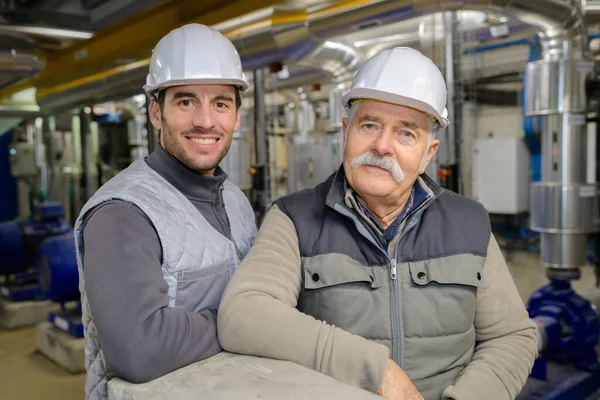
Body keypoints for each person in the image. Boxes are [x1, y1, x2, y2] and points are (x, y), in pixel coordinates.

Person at [217, 47, 537, 400]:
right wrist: (376, 369)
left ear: (428, 153)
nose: (382, 145)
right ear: (346, 130)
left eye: (406, 133)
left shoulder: (469, 222)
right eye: (369, 125)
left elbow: (513, 336)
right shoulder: (294, 219)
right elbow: (242, 314)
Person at [73, 23, 257, 399]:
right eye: (186, 101)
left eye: (220, 103)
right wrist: (250, 322)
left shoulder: (236, 200)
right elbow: (138, 349)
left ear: (236, 117)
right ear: (156, 113)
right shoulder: (123, 213)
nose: (205, 120)